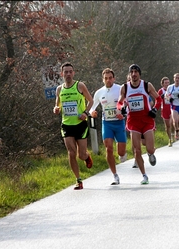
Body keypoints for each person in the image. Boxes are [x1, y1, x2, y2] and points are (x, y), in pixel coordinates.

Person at [117, 64, 162, 185]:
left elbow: (159, 99)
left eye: (136, 71)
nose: (134, 74)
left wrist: (155, 110)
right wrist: (121, 108)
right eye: (132, 72)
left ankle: (150, 153)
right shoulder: (125, 88)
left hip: (147, 120)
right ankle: (144, 175)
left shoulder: (147, 85)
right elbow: (120, 103)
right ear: (129, 74)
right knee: (136, 150)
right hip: (133, 121)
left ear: (139, 74)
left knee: (149, 148)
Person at [53, 62, 93, 190]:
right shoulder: (59, 89)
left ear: (73, 73)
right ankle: (78, 180)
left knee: (81, 155)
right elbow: (57, 105)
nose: (68, 74)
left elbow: (91, 101)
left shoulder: (79, 86)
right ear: (62, 74)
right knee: (71, 152)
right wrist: (56, 109)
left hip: (80, 124)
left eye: (70, 71)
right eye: (66, 72)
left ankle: (86, 157)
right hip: (66, 125)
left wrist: (85, 113)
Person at [89, 68, 127, 186]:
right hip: (107, 123)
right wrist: (92, 113)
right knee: (108, 148)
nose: (108, 80)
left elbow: (127, 104)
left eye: (110, 78)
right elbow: (91, 107)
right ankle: (115, 175)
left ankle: (122, 153)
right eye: (106, 78)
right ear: (103, 80)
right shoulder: (99, 92)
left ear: (114, 78)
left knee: (121, 153)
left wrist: (123, 113)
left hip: (119, 122)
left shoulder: (120, 89)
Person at [158, 77, 173, 146]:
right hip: (164, 109)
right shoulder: (160, 91)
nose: (167, 84)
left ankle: (175, 133)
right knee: (167, 126)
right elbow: (157, 100)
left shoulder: (172, 89)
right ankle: (170, 139)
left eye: (168, 83)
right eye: (165, 83)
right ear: (162, 84)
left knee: (173, 122)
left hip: (172, 108)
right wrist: (161, 97)